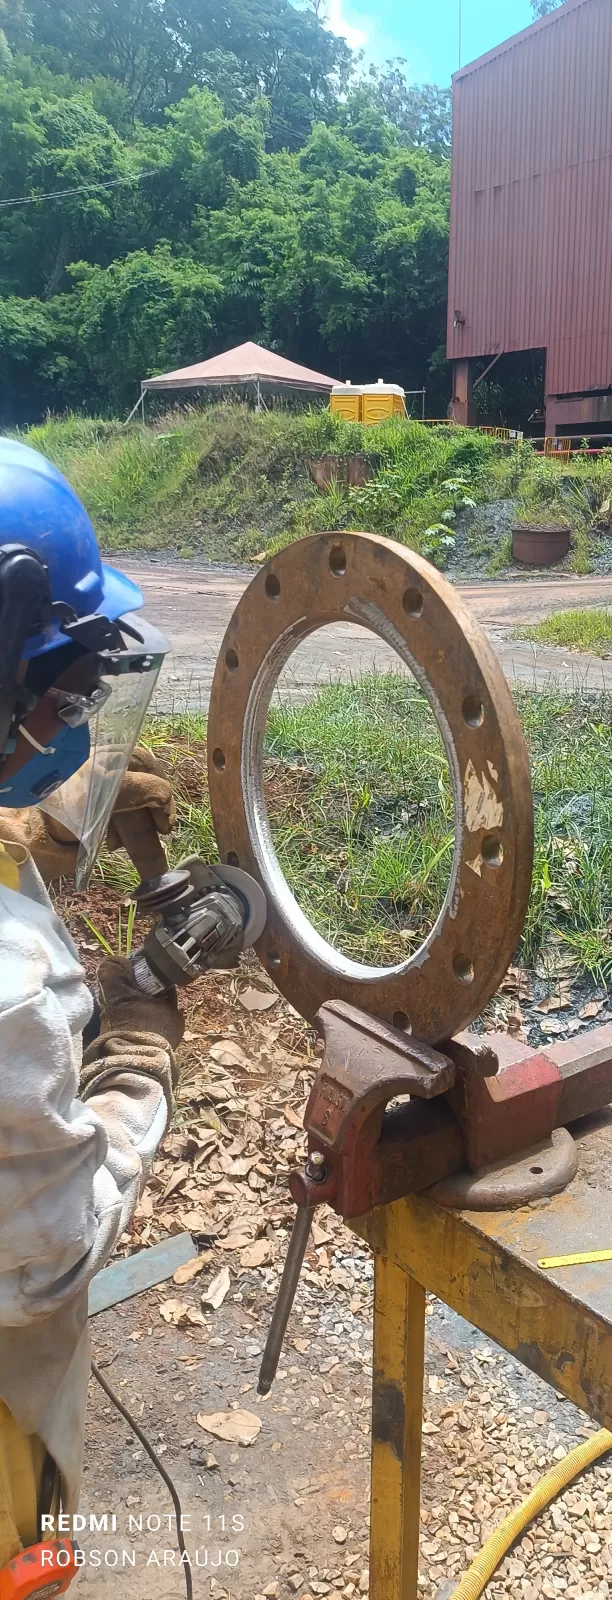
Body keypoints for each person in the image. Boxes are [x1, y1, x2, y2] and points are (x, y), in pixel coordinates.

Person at [0, 439, 180, 1571]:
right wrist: (138, 1064)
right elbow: (48, 1255)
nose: (74, 721)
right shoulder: (13, 995)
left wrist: (49, 826)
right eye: (67, 695)